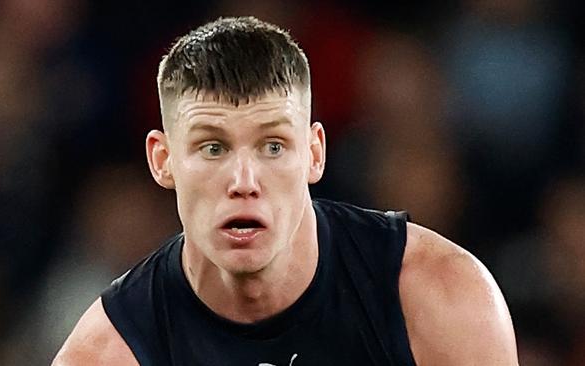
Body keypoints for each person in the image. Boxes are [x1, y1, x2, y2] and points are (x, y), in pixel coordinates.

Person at [53, 16, 518, 365]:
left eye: (273, 146)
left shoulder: (439, 295)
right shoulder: (108, 354)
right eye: (212, 148)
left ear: (315, 153)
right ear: (163, 160)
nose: (243, 183)